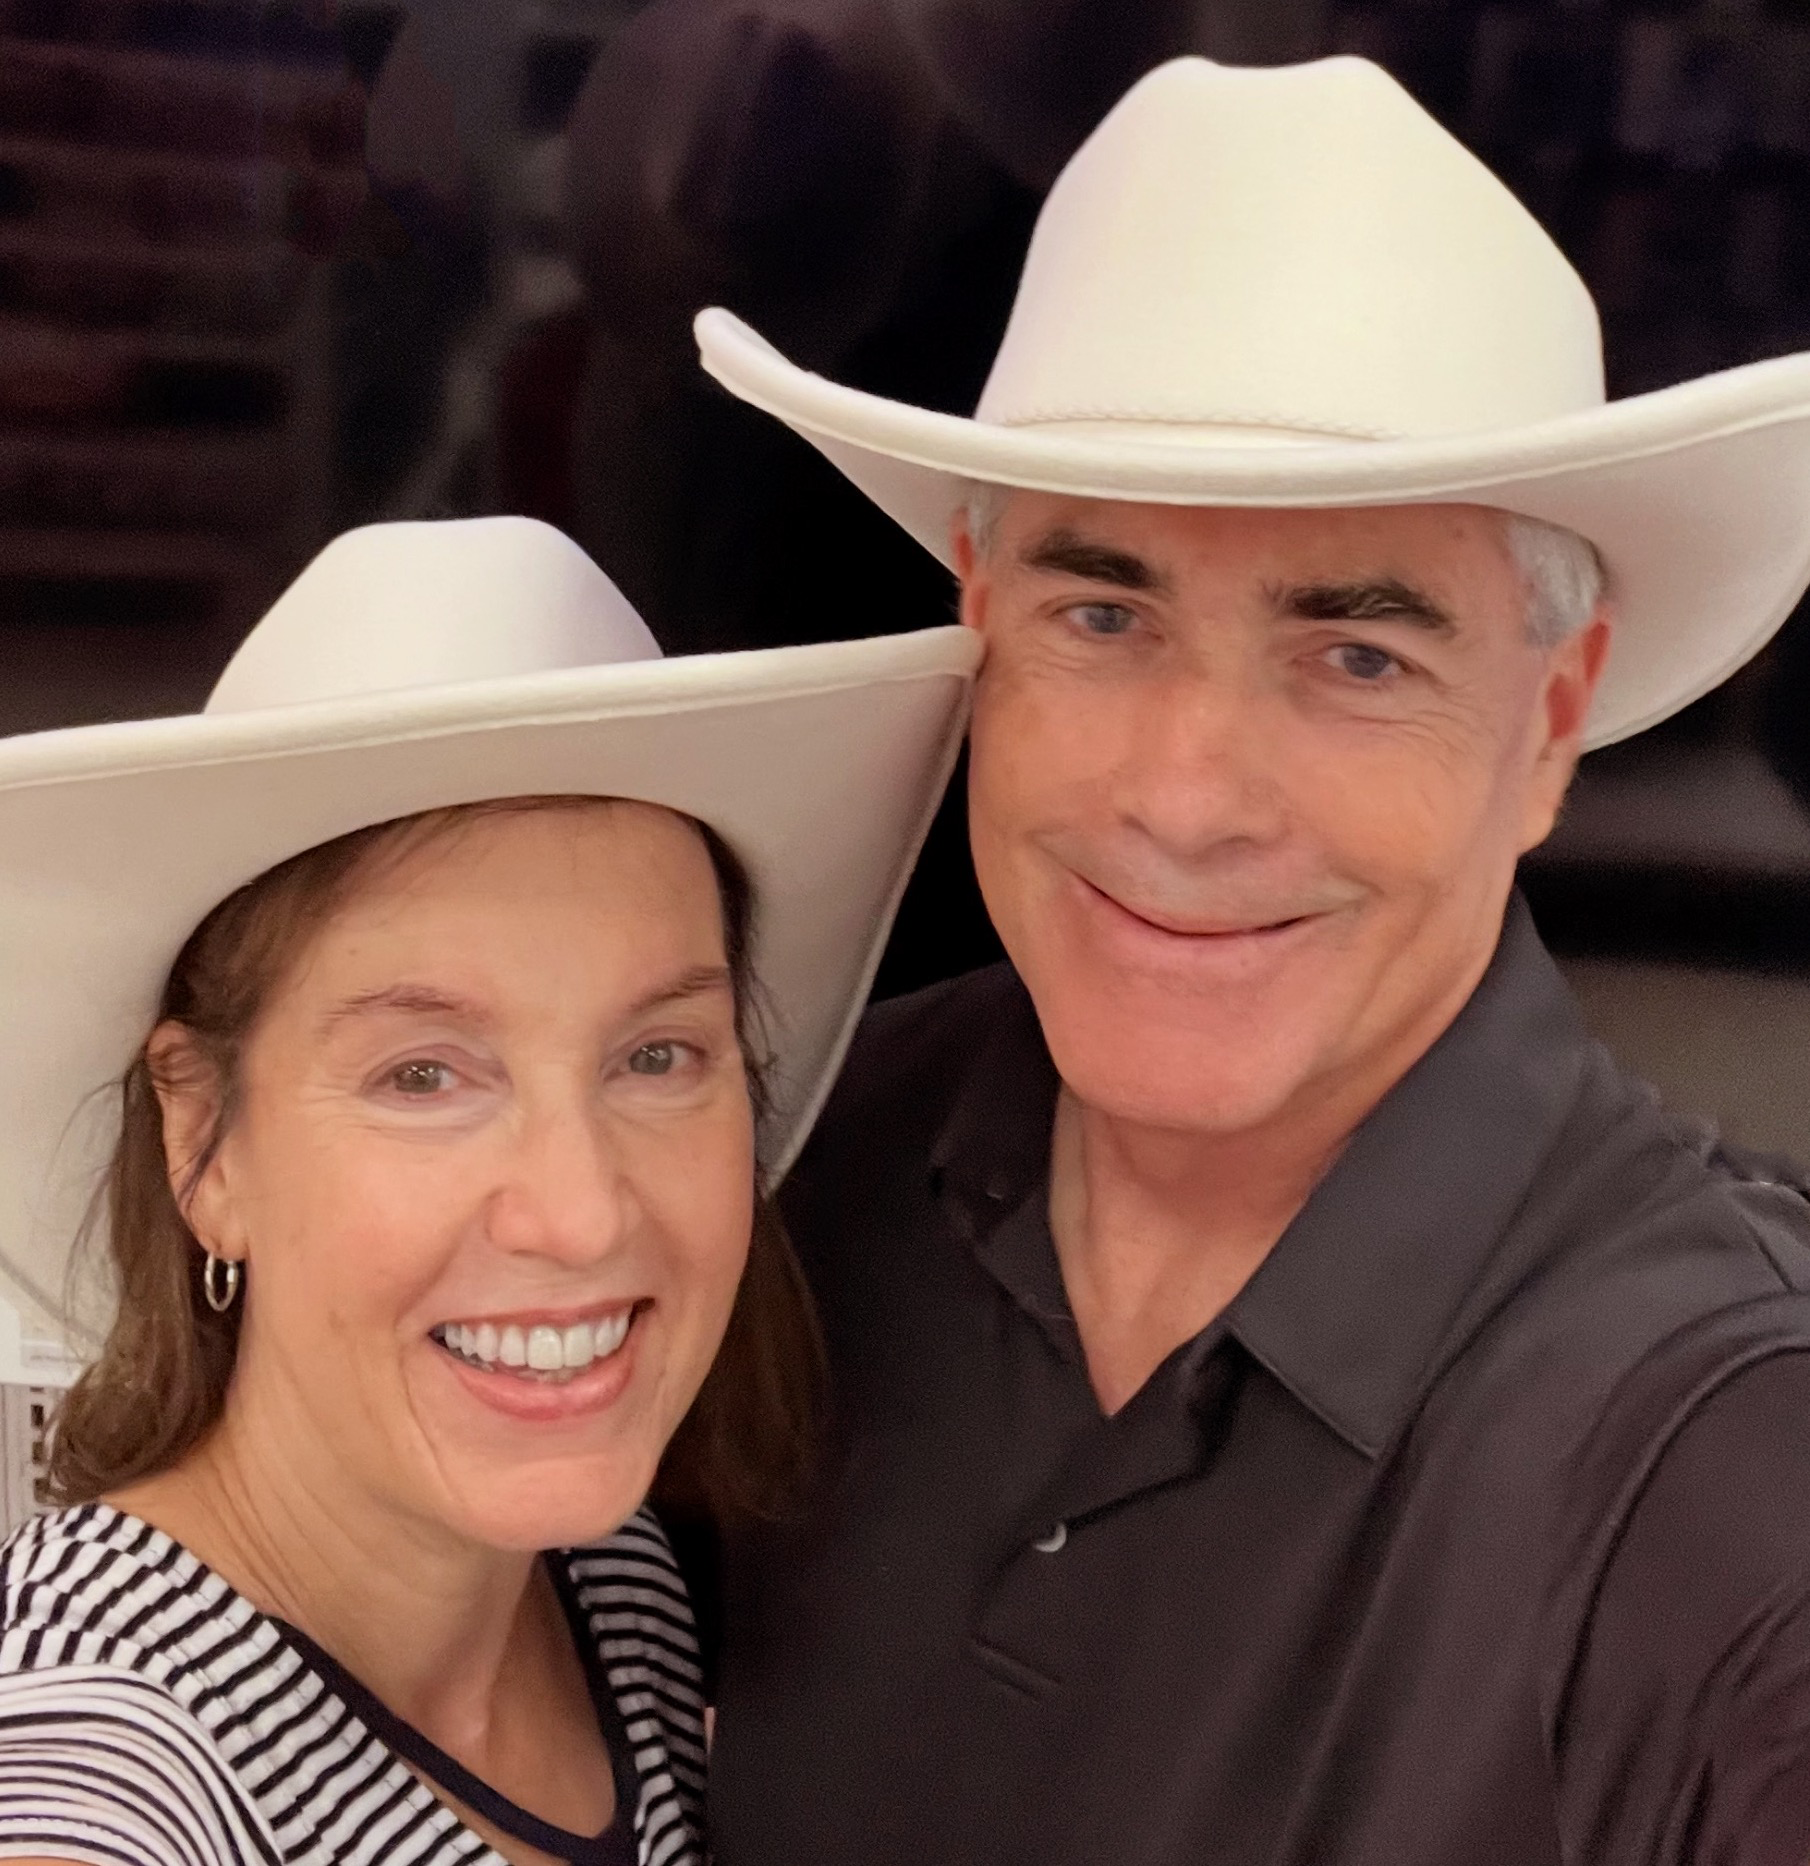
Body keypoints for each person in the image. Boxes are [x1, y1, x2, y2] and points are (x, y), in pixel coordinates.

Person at [689, 54, 1810, 1866]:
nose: (1189, 796)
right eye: (1103, 614)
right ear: (978, 624)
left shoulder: (1716, 1462)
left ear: (1547, 720)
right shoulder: (791, 1170)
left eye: (1355, 656)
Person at [0, 516, 976, 1865]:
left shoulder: (609, 1590)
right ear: (204, 1146)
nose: (577, 1212)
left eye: (655, 1055)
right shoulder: (95, 1777)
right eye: (424, 1075)